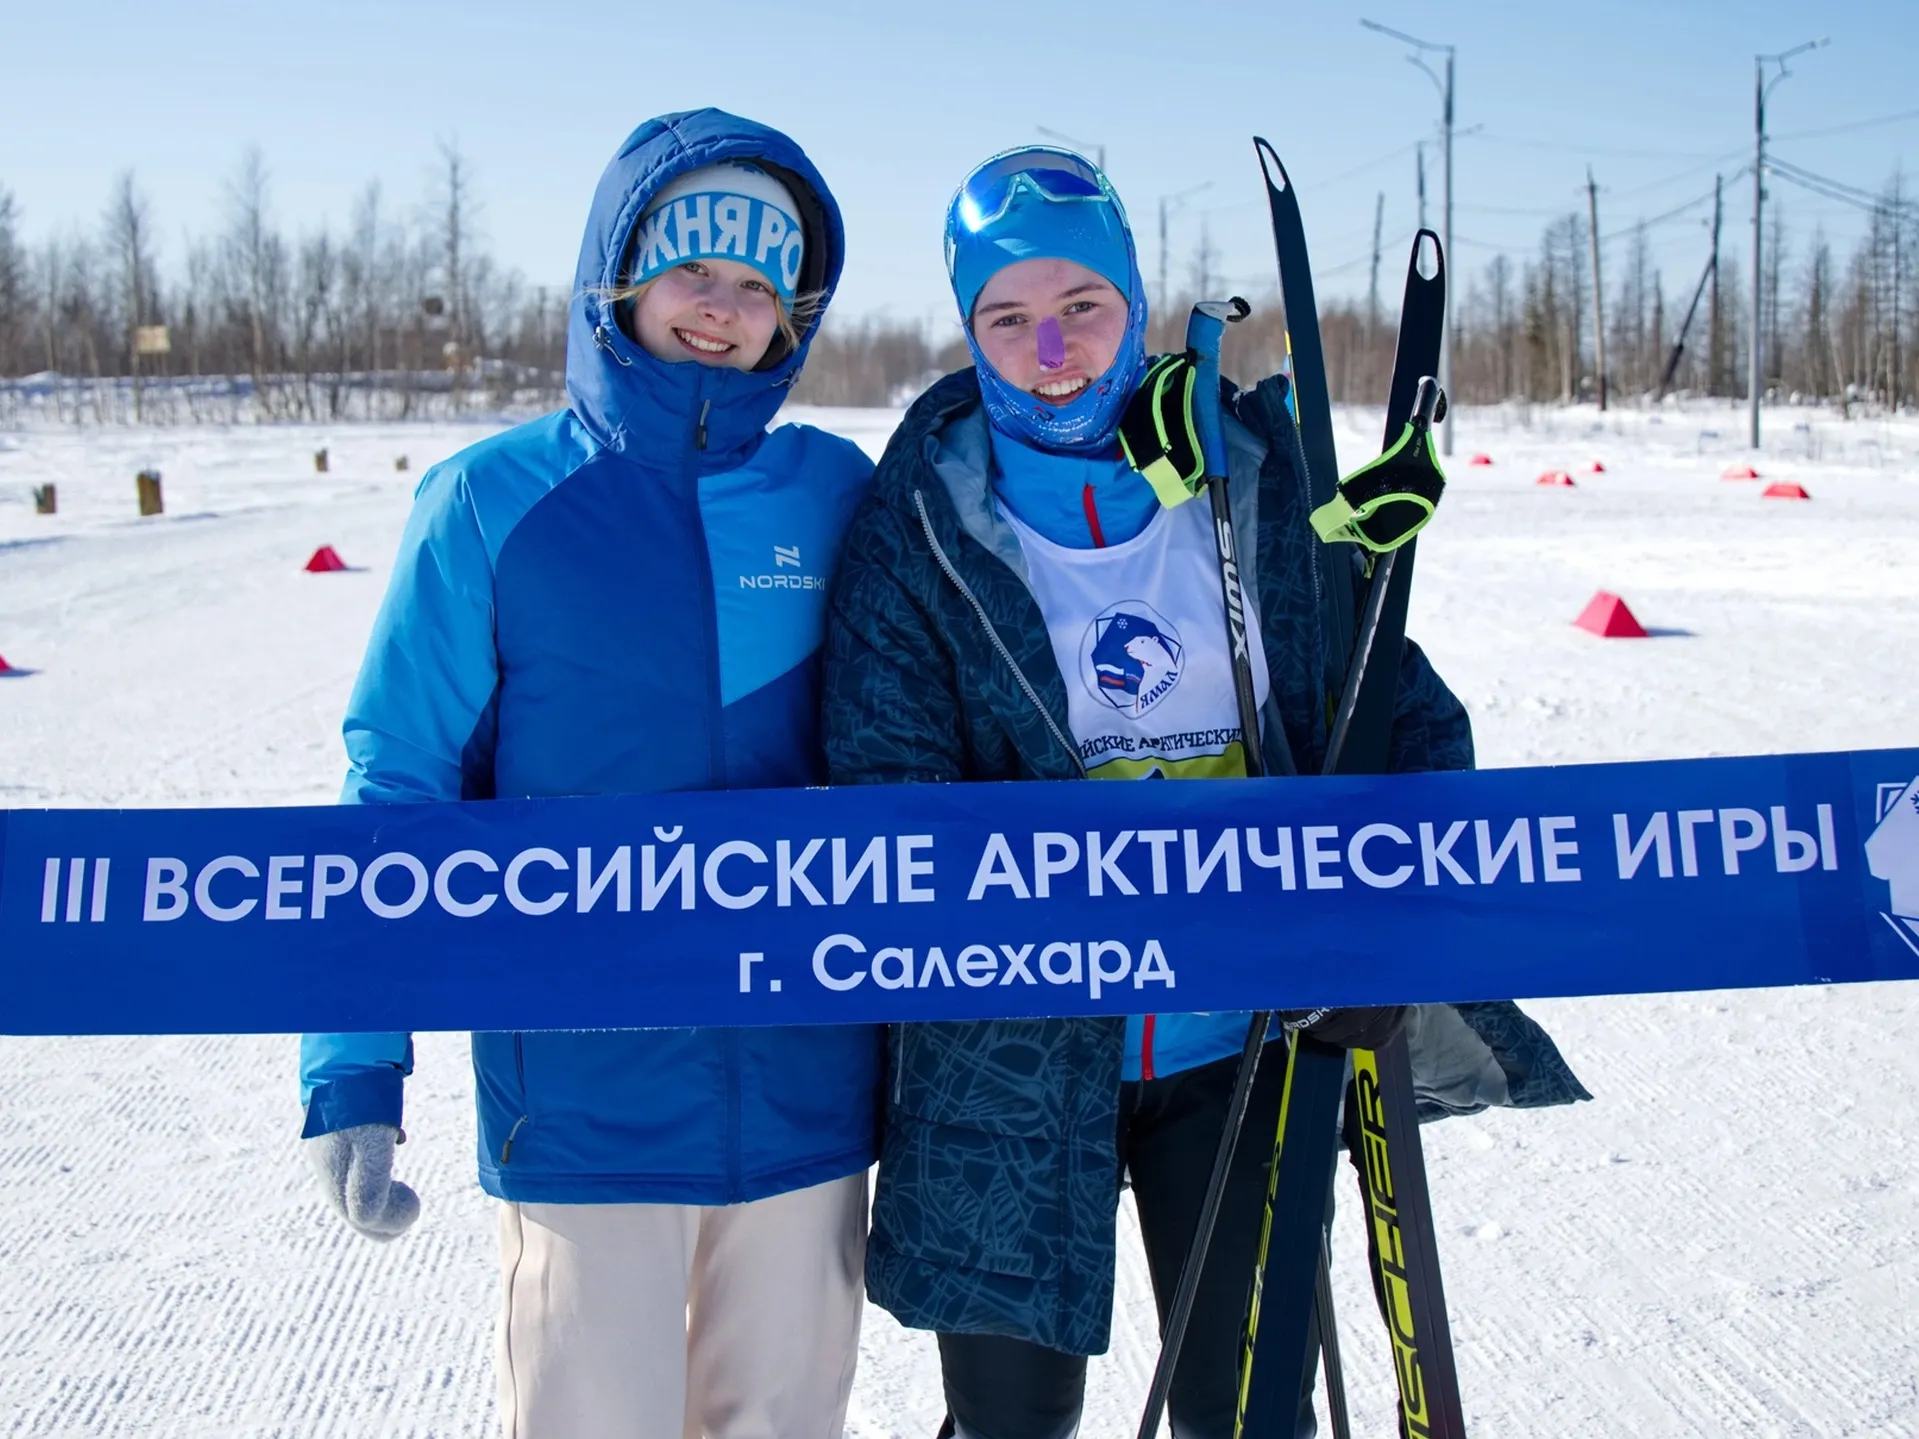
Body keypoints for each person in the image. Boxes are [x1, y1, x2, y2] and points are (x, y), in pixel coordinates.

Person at [820, 146, 1588, 1439]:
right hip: (1005, 1060)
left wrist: (1376, 922)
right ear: (967, 328)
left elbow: (1398, 718)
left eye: (1082, 305)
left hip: (1243, 1041)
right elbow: (889, 796)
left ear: (1132, 298)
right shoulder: (916, 522)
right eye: (1004, 316)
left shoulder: (1257, 479)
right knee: (1007, 1418)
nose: (1048, 345)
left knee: (1247, 1409)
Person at [298, 110, 880, 1439]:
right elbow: (397, 786)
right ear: (616, 274)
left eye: (757, 286)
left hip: (805, 1089)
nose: (722, 312)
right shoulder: (491, 502)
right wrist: (353, 1066)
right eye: (692, 273)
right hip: (581, 1097)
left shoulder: (838, 495)